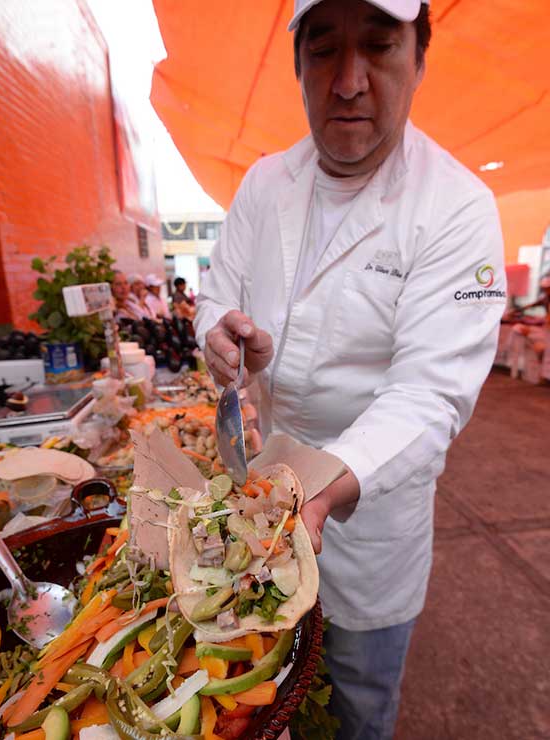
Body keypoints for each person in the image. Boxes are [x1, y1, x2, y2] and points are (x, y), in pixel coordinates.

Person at [196, 2, 504, 738]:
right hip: (264, 496)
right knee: (260, 692)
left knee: (360, 703)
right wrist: (219, 332)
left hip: (371, 514)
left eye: (378, 48)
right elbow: (218, 291)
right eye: (325, 50)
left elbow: (430, 393)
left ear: (419, 61)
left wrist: (329, 487)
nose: (349, 81)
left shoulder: (456, 207)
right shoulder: (265, 184)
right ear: (298, 65)